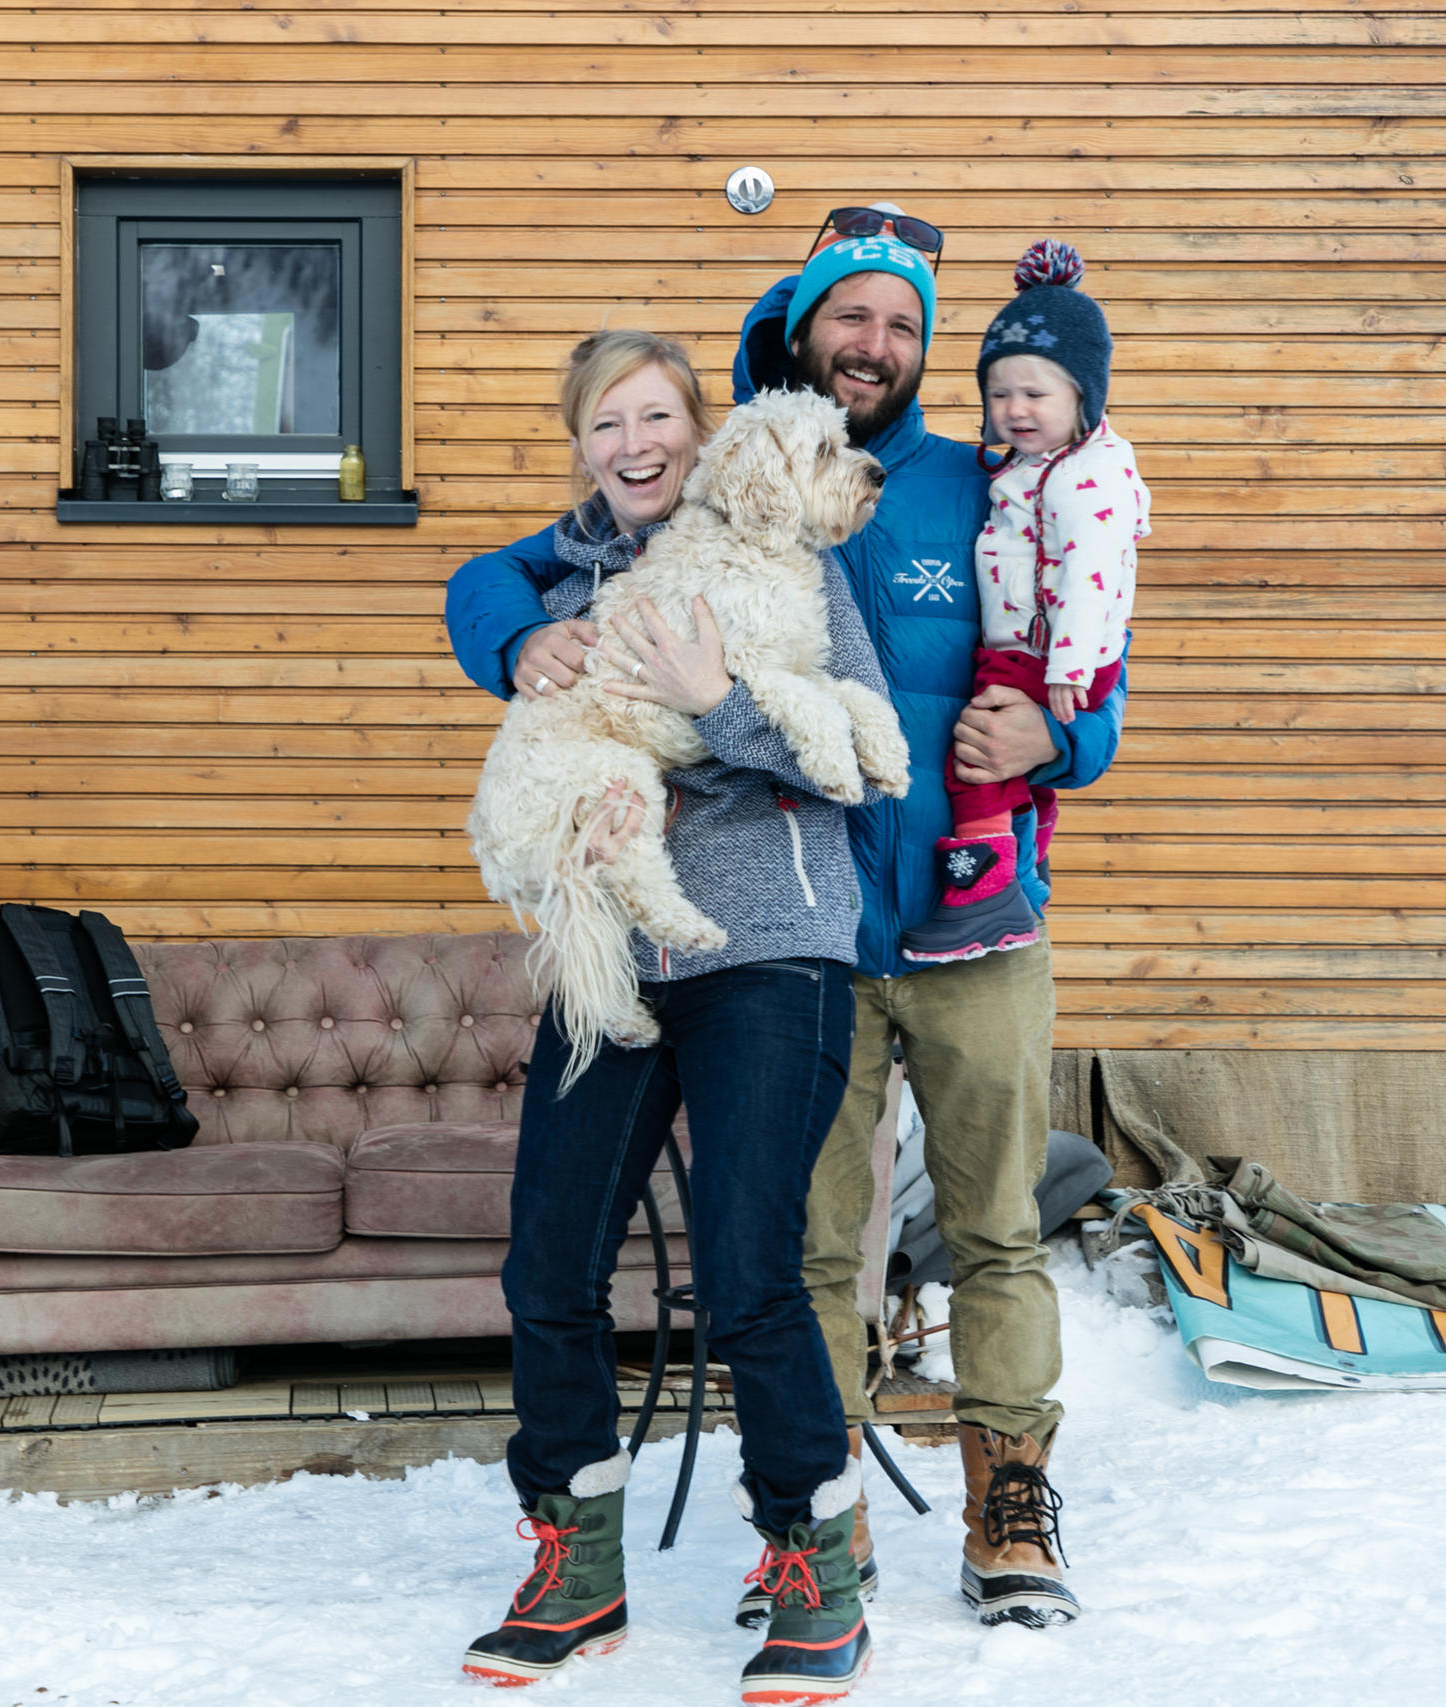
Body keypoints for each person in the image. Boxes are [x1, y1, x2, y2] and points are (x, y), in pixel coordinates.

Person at [447, 206, 1127, 1634]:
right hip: (734, 937)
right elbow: (486, 580)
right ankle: (779, 1525)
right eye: (851, 318)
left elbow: (1081, 628)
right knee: (785, 1254)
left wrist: (1066, 742)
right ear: (800, 338)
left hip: (923, 916)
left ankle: (991, 1498)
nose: (874, 343)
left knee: (975, 1227)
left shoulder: (966, 485)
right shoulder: (623, 546)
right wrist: (514, 636)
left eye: (902, 325)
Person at [449, 329, 882, 1704]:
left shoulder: (787, 560)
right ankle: (576, 1557)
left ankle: (813, 1553)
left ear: (704, 435)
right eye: (602, 427)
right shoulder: (565, 574)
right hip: (613, 952)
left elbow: (857, 755)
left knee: (750, 1262)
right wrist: (519, 636)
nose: (632, 446)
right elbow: (473, 586)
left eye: (656, 419)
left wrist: (719, 701)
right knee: (547, 1260)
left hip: (772, 953)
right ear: (580, 449)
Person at [897, 240, 1149, 966]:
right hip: (1031, 649)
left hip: (1046, 657)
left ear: (1083, 397)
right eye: (1000, 394)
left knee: (976, 763)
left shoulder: (1076, 483)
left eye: (1035, 394)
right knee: (1012, 779)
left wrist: (1067, 679)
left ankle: (983, 896)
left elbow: (1093, 575)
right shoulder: (1023, 472)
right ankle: (1021, 867)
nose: (1014, 410)